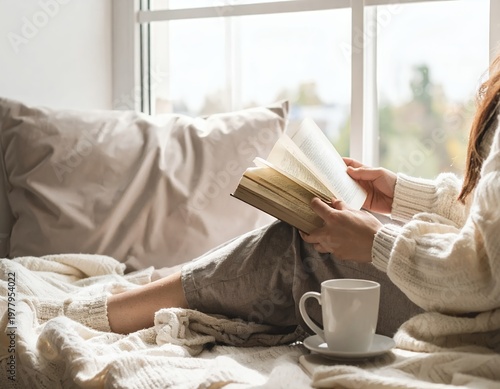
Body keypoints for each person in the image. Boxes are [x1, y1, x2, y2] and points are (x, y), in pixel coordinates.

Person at [63, 52, 500, 340]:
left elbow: (483, 271)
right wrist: (405, 195)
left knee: (303, 243)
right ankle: (151, 292)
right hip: (474, 301)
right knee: (312, 231)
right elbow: (488, 225)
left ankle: (111, 312)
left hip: (478, 317)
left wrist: (377, 242)